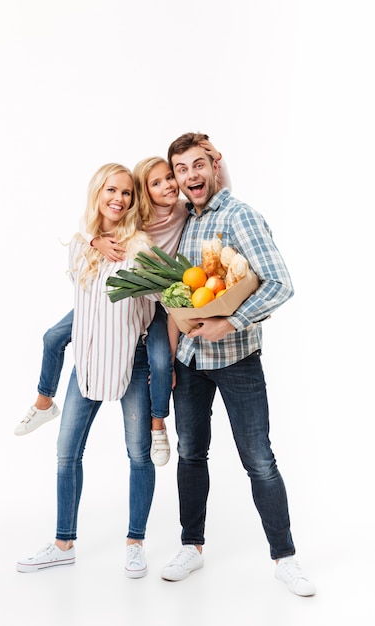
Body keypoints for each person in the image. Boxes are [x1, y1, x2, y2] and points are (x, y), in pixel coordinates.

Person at [160, 132, 316, 597]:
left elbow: (280, 283)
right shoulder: (187, 221)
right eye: (181, 170)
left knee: (258, 459)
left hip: (236, 359)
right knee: (191, 455)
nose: (190, 176)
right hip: (189, 360)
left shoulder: (241, 215)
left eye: (197, 165)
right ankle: (192, 545)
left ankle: (285, 558)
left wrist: (231, 321)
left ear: (214, 166)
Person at [14, 142, 230, 467]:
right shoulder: (139, 218)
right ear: (145, 192)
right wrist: (92, 239)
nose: (168, 185)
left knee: (160, 362)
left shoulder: (186, 210)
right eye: (156, 183)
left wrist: (218, 161)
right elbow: (98, 223)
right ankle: (44, 402)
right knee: (53, 337)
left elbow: (218, 193)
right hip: (123, 296)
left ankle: (158, 424)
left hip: (156, 303)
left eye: (170, 178)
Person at [17, 162, 159, 577]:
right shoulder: (82, 244)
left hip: (132, 363)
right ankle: (63, 543)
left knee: (138, 454)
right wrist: (94, 239)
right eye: (111, 191)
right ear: (97, 193)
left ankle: (135, 542)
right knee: (66, 454)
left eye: (127, 193)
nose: (119, 199)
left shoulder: (141, 246)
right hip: (88, 363)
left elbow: (154, 301)